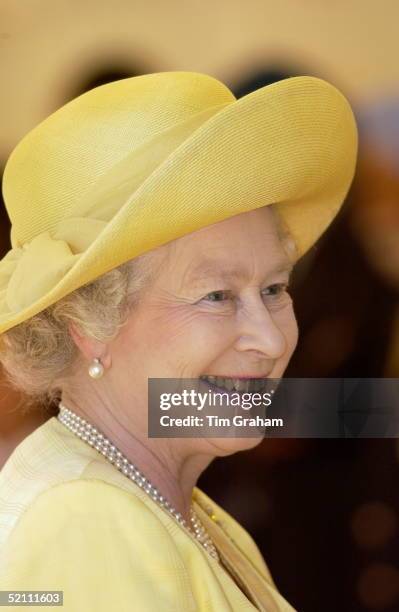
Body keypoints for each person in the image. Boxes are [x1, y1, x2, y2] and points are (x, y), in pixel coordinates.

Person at [0, 71, 357, 611]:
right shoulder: (89, 526)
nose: (268, 338)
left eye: (275, 287)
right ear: (89, 326)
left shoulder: (180, 508)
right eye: (216, 295)